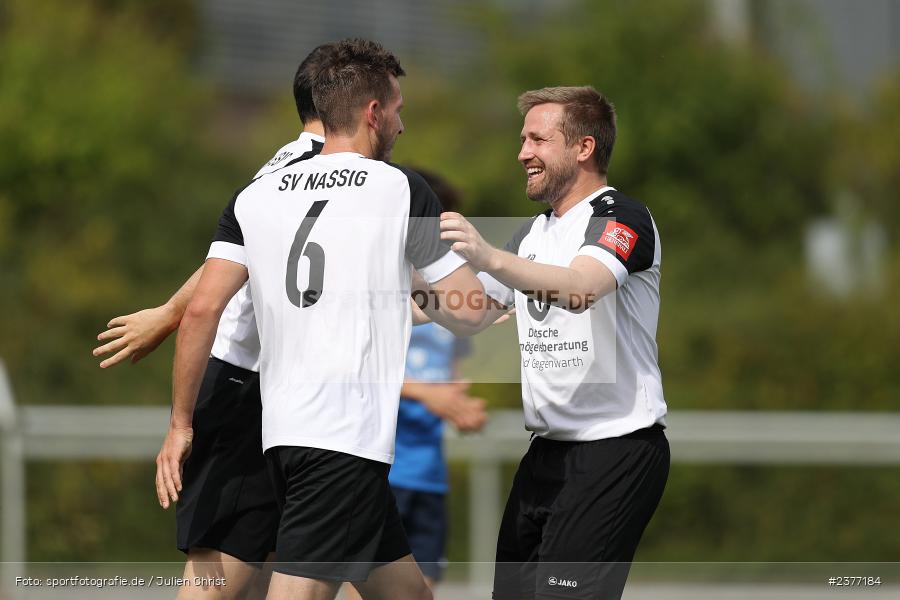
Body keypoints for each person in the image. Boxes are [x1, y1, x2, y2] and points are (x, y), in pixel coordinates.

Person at [155, 38, 487, 600]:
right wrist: (493, 282)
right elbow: (468, 310)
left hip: (280, 433)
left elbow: (203, 310)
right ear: (373, 112)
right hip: (344, 435)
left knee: (406, 592)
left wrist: (180, 424)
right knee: (298, 594)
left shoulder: (256, 194)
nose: (402, 126)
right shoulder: (400, 188)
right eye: (399, 110)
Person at [92, 43, 336, 600]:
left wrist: (168, 311)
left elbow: (234, 255)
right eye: (390, 102)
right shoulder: (307, 171)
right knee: (217, 583)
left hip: (275, 388)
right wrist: (175, 314)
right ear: (355, 103)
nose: (399, 117)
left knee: (272, 574)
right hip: (242, 385)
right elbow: (228, 266)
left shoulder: (296, 163)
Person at [437, 86, 670, 600]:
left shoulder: (622, 215)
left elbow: (582, 287)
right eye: (523, 139)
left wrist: (487, 255)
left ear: (583, 148)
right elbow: (468, 312)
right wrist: (372, 291)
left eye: (537, 139)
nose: (523, 152)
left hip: (615, 448)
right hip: (547, 453)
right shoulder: (535, 233)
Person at [342, 170, 488, 600]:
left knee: (422, 591)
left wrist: (464, 405)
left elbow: (452, 373)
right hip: (381, 466)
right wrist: (428, 394)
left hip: (429, 473)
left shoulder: (452, 294)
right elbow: (355, 364)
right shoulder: (385, 284)